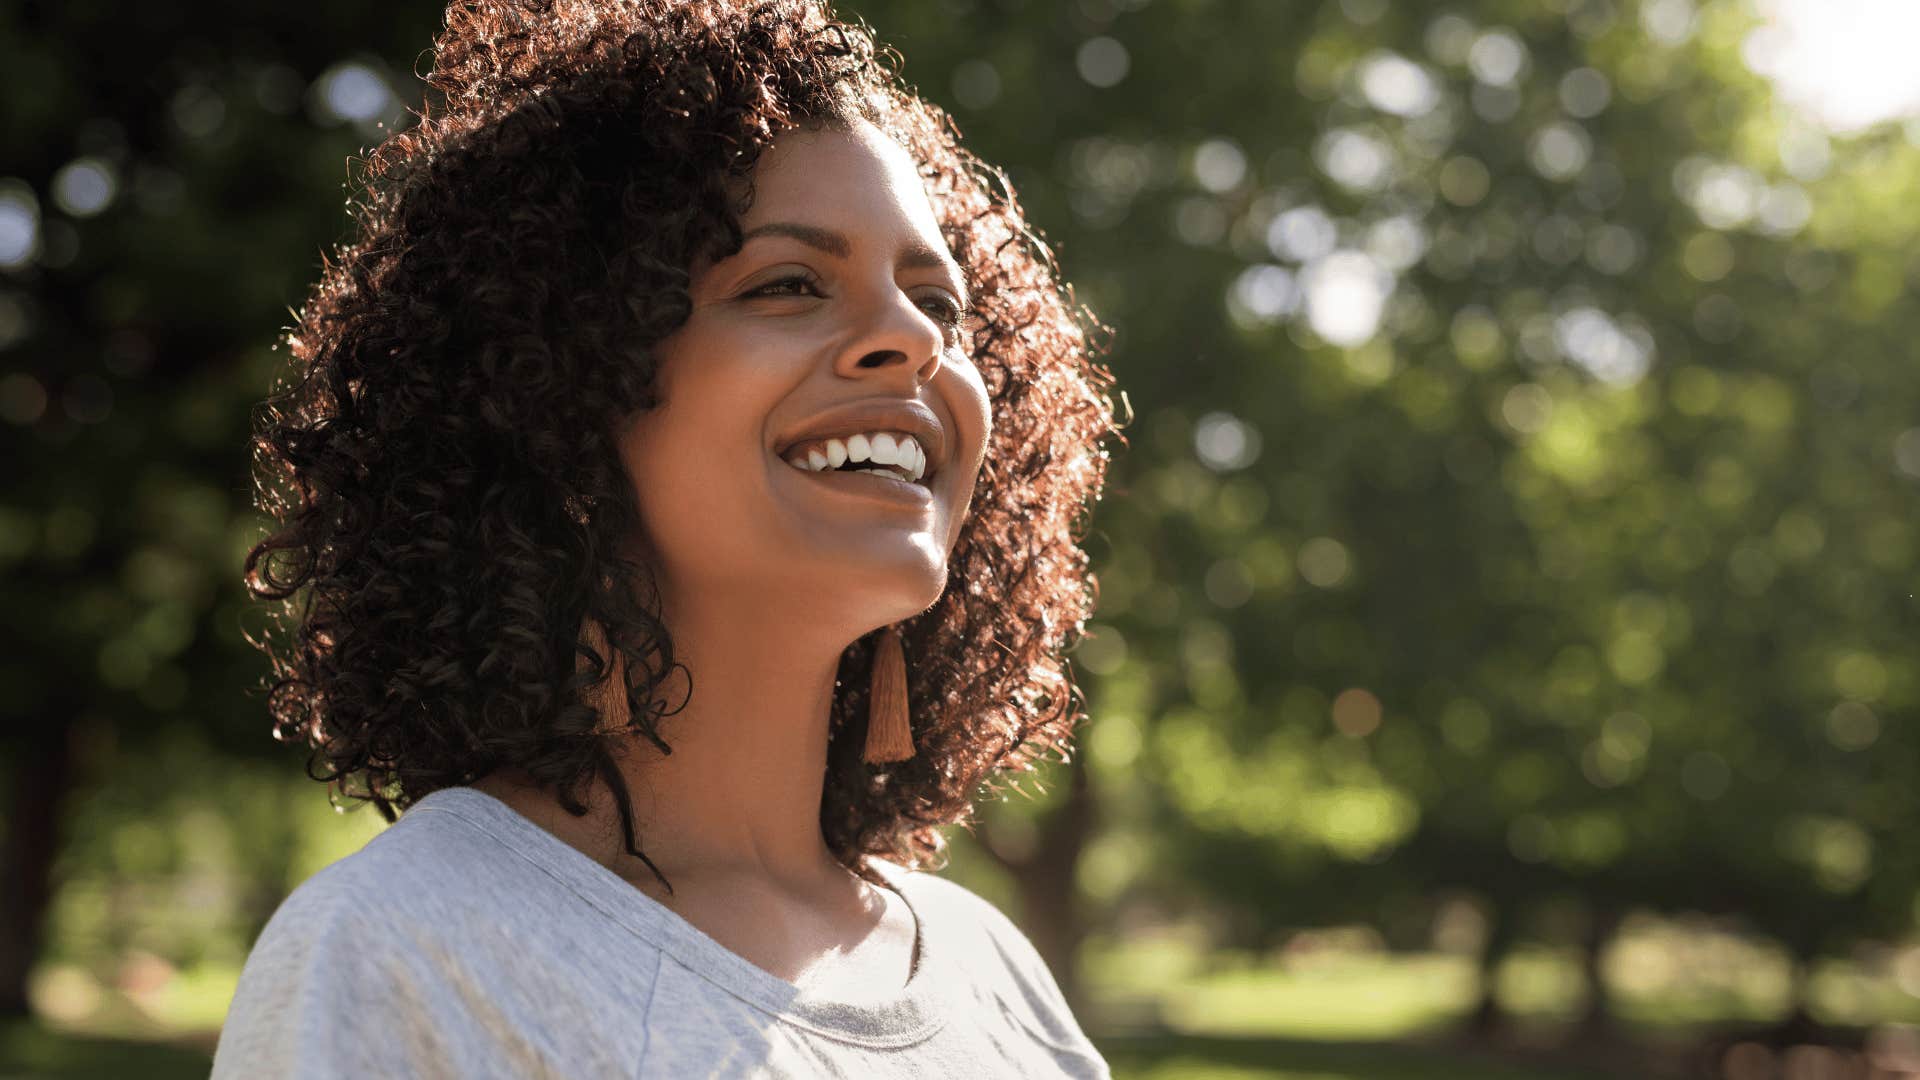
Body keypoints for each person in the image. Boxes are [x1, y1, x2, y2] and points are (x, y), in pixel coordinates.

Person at [214, 0, 1122, 1075]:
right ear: (562, 396)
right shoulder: (410, 946)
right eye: (788, 284)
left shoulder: (990, 973)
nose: (915, 340)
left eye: (941, 303)